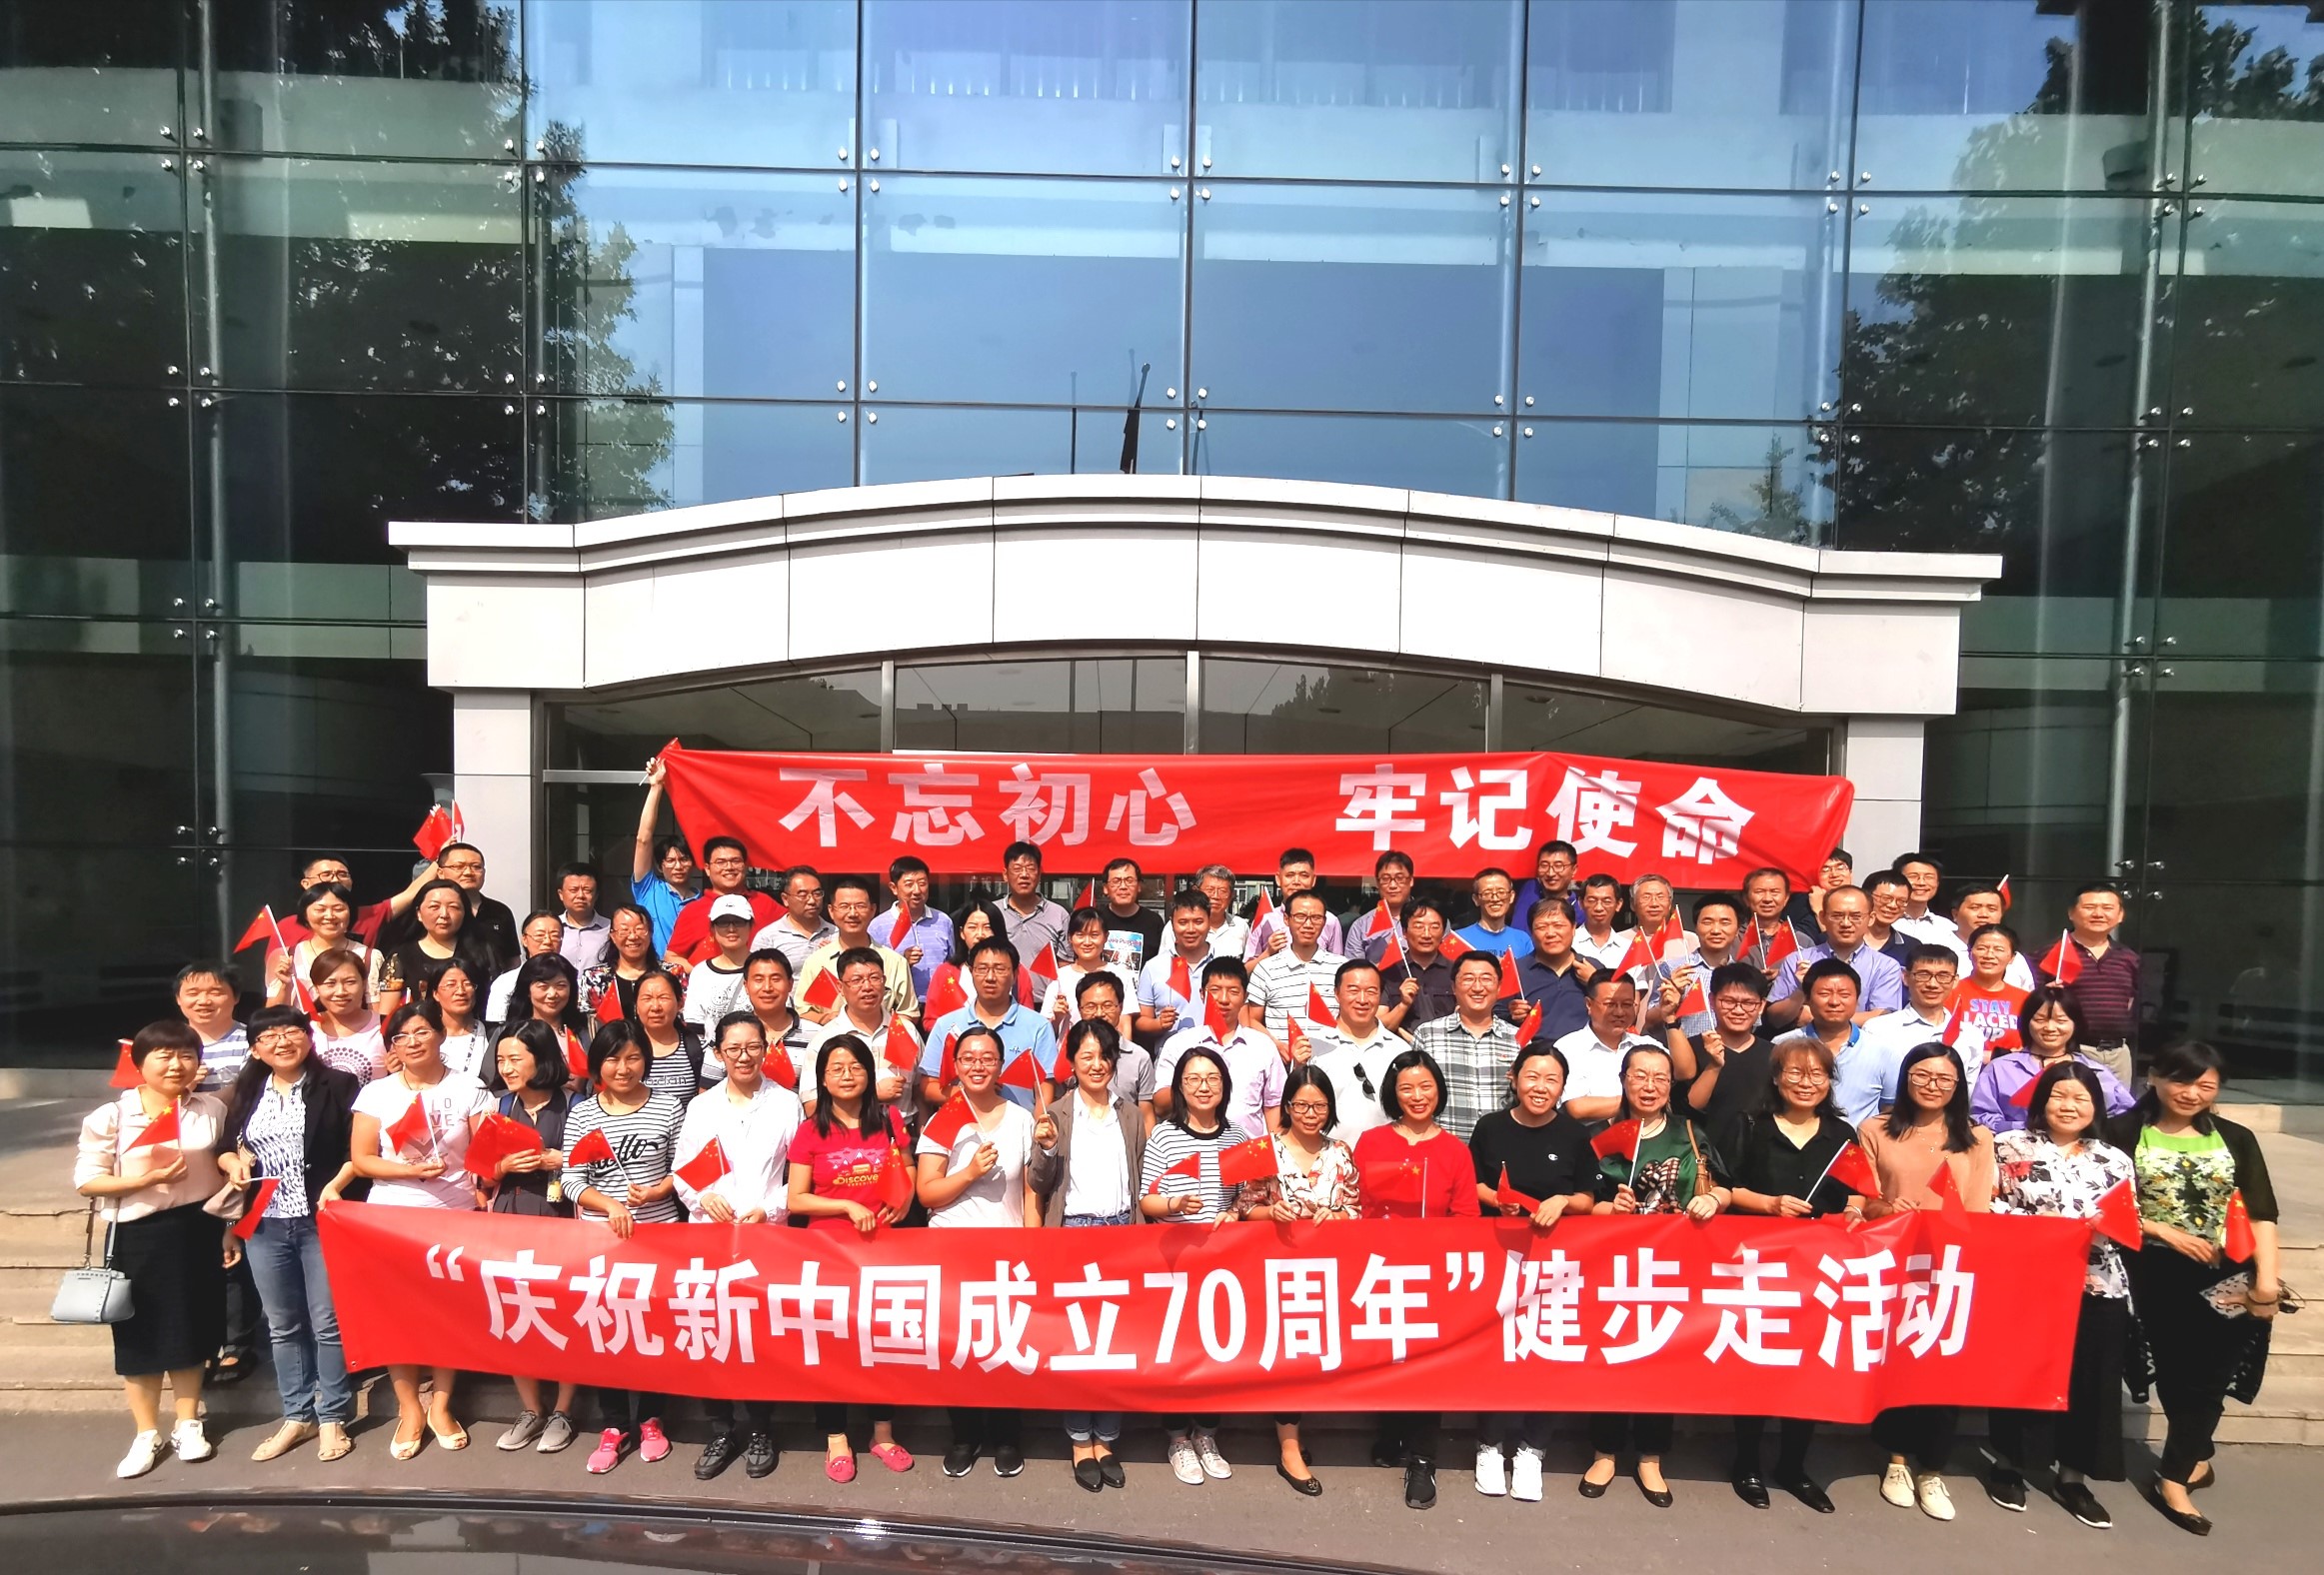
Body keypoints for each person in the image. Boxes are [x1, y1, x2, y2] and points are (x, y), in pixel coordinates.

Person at [2105, 1039, 2280, 1536]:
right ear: (2154, 1078)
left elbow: (2262, 1211)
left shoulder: (2237, 1138)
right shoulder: (2122, 1132)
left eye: (2206, 1085)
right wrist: (2162, 1230)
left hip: (2227, 1274)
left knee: (2210, 1376)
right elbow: (2103, 1203)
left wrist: (2267, 1281)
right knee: (2174, 1374)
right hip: (2152, 1272)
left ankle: (2174, 1478)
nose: (2192, 1093)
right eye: (2181, 1080)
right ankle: (2197, 1453)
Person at [75, 1021, 232, 1479]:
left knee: (192, 1328)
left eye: (185, 1055)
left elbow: (221, 1166)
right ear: (140, 1064)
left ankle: (188, 1423)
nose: (175, 1065)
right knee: (140, 1336)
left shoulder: (210, 1109)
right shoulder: (112, 1116)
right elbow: (87, 1180)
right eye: (163, 1056)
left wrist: (229, 1226)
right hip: (138, 1233)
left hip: (198, 1228)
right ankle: (146, 1433)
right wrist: (146, 1181)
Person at [1987, 1062, 2135, 1529]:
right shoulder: (2008, 1145)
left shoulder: (2115, 1159)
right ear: (2041, 1101)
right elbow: (1990, 1206)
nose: (2069, 1106)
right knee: (2021, 1373)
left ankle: (2073, 1477)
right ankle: (2009, 1464)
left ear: (2096, 1106)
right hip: (2027, 1283)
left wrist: (2107, 1225)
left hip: (2097, 1284)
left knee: (2090, 1382)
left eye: (2080, 1098)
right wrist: (2033, 1227)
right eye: (2059, 1096)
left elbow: (2129, 1220)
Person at [1582, 1043, 1730, 1509]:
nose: (1649, 1086)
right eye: (1640, 1075)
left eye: (1660, 1078)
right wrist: (1608, 1209)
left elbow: (1726, 1186)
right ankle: (1604, 1452)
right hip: (1611, 1268)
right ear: (1623, 1080)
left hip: (1674, 1269)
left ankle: (1651, 1457)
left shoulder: (1689, 1134)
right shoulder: (1599, 1136)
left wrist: (1714, 1200)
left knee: (1662, 1360)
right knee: (1611, 1359)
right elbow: (1578, 1202)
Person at [1719, 1037, 1859, 1513]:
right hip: (1760, 1263)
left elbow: (1858, 1193)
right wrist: (1770, 1204)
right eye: (1795, 1073)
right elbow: (1726, 1188)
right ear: (1777, 1079)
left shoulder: (1841, 1133)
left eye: (1817, 1074)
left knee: (1809, 1369)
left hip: (1821, 1268)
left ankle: (1794, 1466)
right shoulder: (1750, 1125)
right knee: (1756, 1364)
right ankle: (1746, 1463)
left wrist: (1855, 1211)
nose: (1806, 1083)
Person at [217, 1004, 361, 1465]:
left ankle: (333, 1415)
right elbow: (225, 1147)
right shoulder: (247, 1089)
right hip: (265, 1223)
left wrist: (336, 1186)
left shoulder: (338, 1085)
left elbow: (355, 1149)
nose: (282, 1042)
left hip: (321, 1218)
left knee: (328, 1322)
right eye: (269, 1036)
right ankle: (297, 1415)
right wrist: (232, 1164)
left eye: (291, 1031)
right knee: (282, 1325)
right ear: (255, 1049)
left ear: (308, 1036)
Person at [1858, 1041, 1996, 1520]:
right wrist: (1884, 1208)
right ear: (1905, 1078)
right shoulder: (1874, 1130)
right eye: (1921, 1075)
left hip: (1952, 1266)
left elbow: (1979, 1208)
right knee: (1898, 1362)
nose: (1932, 1086)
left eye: (1943, 1079)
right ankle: (1896, 1461)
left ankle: (1932, 1468)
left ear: (1958, 1086)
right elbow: (1863, 1198)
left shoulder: (1977, 1138)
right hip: (1896, 1262)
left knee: (1944, 1367)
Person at [350, 1003, 493, 1459]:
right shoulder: (376, 1093)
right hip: (392, 1219)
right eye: (401, 1036)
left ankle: (442, 1405)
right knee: (397, 1316)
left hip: (455, 1214)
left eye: (422, 1031)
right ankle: (409, 1407)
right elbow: (362, 1159)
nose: (412, 1042)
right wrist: (408, 1172)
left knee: (449, 1313)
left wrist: (485, 1178)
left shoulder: (469, 1087)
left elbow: (486, 1153)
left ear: (439, 1035)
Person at [1465, 1043, 1597, 1504]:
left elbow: (1587, 1198)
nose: (1541, 1087)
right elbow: (1475, 1183)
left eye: (1551, 1080)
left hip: (1557, 1263)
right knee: (1497, 1353)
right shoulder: (1491, 1127)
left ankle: (1532, 1448)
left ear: (1563, 1087)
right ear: (1514, 1078)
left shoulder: (1574, 1134)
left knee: (1548, 1353)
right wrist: (1497, 1200)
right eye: (1532, 1077)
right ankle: (1489, 1445)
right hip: (1500, 1256)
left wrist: (1562, 1201)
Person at [676, 1012, 805, 1482]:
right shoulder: (701, 1107)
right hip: (709, 1235)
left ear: (766, 1049)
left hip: (763, 1234)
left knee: (757, 1336)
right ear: (718, 1053)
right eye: (733, 1049)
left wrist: (769, 1209)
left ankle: (760, 1429)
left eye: (753, 1047)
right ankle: (721, 1428)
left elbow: (798, 1174)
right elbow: (683, 1169)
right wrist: (701, 1197)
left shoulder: (786, 1103)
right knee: (711, 1333)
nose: (744, 1056)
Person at [784, 1033, 915, 1482]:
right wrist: (845, 1205)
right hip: (829, 1254)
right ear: (822, 1079)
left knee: (882, 1342)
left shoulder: (890, 1118)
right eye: (836, 1069)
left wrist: (904, 1199)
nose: (846, 1075)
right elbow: (797, 1199)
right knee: (831, 1345)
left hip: (883, 1250)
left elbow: (907, 1168)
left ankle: (883, 1433)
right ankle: (836, 1436)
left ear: (869, 1073)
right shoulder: (810, 1130)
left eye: (855, 1067)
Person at [1353, 1048, 1479, 1510]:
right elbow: (1358, 1204)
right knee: (1388, 1357)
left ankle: (1423, 1459)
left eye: (1426, 1086)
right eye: (1407, 1088)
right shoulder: (1371, 1143)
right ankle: (1392, 1433)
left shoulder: (1455, 1150)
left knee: (1428, 1367)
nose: (1417, 1095)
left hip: (1432, 1275)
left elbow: (1466, 1217)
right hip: (1380, 1270)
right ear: (1394, 1094)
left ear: (1439, 1091)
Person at [1227, 1062, 1360, 1499]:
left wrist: (1339, 1217)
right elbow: (1244, 1206)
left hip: (1328, 1272)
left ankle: (1296, 1434)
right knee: (1287, 1360)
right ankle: (1288, 1448)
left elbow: (1356, 1208)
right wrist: (1272, 1212)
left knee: (1311, 1359)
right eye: (1301, 1105)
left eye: (1319, 1106)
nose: (1310, 1114)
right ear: (1286, 1106)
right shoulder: (1263, 1149)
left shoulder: (1341, 1152)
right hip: (1278, 1270)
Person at [561, 1019, 687, 1475]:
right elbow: (571, 1179)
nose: (624, 1068)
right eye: (613, 1059)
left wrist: (655, 1192)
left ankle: (652, 1419)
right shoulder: (583, 1115)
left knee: (653, 1331)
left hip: (659, 1240)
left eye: (633, 1058)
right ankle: (614, 1425)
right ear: (598, 1064)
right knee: (606, 1333)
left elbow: (684, 1170)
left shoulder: (669, 1107)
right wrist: (610, 1204)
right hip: (602, 1245)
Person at [1027, 1018, 1147, 1492]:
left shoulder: (1130, 1113)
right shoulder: (1055, 1113)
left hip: (1122, 1232)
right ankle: (1080, 1439)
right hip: (1075, 1234)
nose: (1097, 1065)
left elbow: (1140, 1174)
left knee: (1116, 1343)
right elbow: (1039, 1183)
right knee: (1078, 1345)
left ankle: (1107, 1438)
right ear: (1072, 1063)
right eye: (1087, 1056)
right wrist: (1046, 1150)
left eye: (1104, 1056)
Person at [916, 1025, 1040, 1477]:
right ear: (955, 1066)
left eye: (987, 1058)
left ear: (1001, 1065)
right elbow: (926, 1192)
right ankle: (964, 1436)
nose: (977, 1066)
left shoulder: (1021, 1119)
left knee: (1006, 1347)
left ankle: (1006, 1437)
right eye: (968, 1058)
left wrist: (1033, 1242)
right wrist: (968, 1172)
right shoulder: (944, 1119)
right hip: (953, 1252)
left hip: (1006, 1252)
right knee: (958, 1348)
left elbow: (1031, 1191)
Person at [1138, 1046, 1245, 1487]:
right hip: (1175, 1264)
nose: (1204, 1087)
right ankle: (1178, 1439)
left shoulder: (1238, 1137)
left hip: (1222, 1266)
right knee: (1176, 1354)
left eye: (1212, 1078)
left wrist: (1235, 1213)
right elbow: (1146, 1200)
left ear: (1224, 1086)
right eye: (1194, 1079)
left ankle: (1207, 1434)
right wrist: (1175, 1204)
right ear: (1180, 1087)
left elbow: (1250, 1196)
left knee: (1217, 1353)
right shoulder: (1164, 1137)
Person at [479, 1020, 579, 1457]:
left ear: (542, 1058)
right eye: (501, 1059)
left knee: (564, 1314)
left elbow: (597, 1162)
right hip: (510, 1216)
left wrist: (561, 1159)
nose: (506, 1067)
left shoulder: (575, 1104)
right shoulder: (500, 1106)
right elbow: (481, 1175)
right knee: (514, 1312)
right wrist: (503, 1168)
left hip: (559, 1214)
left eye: (515, 1058)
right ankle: (530, 1409)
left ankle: (563, 1410)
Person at [917, 936, 1058, 1114]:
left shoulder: (1038, 1026)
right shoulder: (946, 1025)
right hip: (964, 1127)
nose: (990, 977)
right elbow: (928, 1087)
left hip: (1020, 1127)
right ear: (971, 972)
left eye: (1000, 969)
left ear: (1015, 975)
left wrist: (1039, 1124)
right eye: (982, 969)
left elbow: (1044, 1088)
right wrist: (969, 1092)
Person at [1972, 984, 2134, 1134]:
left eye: (2061, 1021)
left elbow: (2124, 1116)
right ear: (2026, 1022)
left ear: (2075, 1024)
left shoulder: (2094, 1071)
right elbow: (1980, 1118)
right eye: (2040, 1020)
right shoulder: (2000, 1068)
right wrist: (2025, 1127)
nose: (2050, 1028)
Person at [1154, 958, 1283, 1136]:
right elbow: (1160, 1106)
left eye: (1233, 992)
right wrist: (1192, 1081)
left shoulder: (1262, 1046)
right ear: (1202, 994)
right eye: (1215, 990)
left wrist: (1275, 1148)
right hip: (1192, 1149)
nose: (1223, 999)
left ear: (1245, 997)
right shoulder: (1179, 1044)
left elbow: (1274, 1104)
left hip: (1249, 1149)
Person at [1411, 950, 1519, 1140]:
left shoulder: (1518, 1038)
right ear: (1454, 987)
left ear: (1499, 987)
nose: (1477, 987)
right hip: (1444, 1147)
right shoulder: (1428, 1035)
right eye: (1468, 979)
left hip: (1501, 1147)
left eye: (1486, 979)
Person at [1859, 944, 1990, 1097]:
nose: (1932, 984)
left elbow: (1967, 1094)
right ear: (1905, 977)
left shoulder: (1970, 1035)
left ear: (1955, 981)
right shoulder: (1878, 1030)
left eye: (1943, 976)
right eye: (1923, 975)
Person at [2047, 882, 2142, 1087]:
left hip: (2118, 1054)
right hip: (2072, 1050)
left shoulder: (2129, 958)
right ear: (2071, 913)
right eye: (2089, 907)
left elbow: (2131, 1000)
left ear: (2120, 915)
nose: (2098, 914)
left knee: (2119, 1106)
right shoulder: (2052, 954)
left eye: (2107, 908)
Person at [1766, 885, 1904, 1027]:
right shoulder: (1798, 960)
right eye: (1837, 916)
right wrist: (1801, 991)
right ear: (1822, 917)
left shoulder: (1885, 966)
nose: (1846, 923)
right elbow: (1775, 1019)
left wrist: (1817, 1018)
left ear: (1871, 918)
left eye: (1856, 917)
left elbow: (1883, 1018)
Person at [1772, 959, 1889, 1126]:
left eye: (1844, 995)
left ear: (1857, 1000)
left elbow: (1889, 1109)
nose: (1834, 1002)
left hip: (1856, 1142)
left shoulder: (1882, 1050)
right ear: (1807, 999)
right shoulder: (1782, 1045)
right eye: (1824, 994)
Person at [795, 875, 918, 1026]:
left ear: (872, 910)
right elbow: (803, 1011)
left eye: (860, 906)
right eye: (844, 906)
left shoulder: (895, 962)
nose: (852, 914)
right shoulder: (817, 962)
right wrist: (826, 1019)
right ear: (831, 911)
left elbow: (909, 1013)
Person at [1306, 958, 1405, 1142]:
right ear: (1337, 994)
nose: (1362, 999)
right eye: (1353, 990)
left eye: (1371, 992)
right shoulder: (1313, 1047)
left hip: (1385, 1155)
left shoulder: (1400, 1050)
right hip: (1327, 1155)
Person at [807, 946, 916, 1113]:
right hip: (847, 1129)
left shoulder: (906, 1031)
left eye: (874, 978)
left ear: (884, 981)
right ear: (840, 987)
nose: (867, 987)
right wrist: (872, 1094)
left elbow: (921, 1092)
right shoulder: (825, 1038)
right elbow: (811, 1106)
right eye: (857, 980)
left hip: (904, 1128)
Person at [1681, 962, 1777, 1139]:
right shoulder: (1690, 1049)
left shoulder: (1775, 1055)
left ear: (1761, 1005)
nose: (1738, 1010)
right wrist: (1713, 1067)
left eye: (1748, 1003)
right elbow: (1687, 1108)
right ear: (1712, 1000)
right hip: (1704, 1150)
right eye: (1729, 1002)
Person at [1553, 972, 1661, 1122]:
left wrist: (1671, 1020)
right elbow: (1577, 1107)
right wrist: (1643, 1101)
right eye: (1610, 1004)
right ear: (1589, 1004)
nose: (1619, 1012)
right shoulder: (1568, 1048)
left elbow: (1685, 1073)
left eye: (1627, 1004)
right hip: (1592, 1135)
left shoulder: (1648, 1046)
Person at [371, 877, 487, 1017]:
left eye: (453, 907)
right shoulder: (399, 957)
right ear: (419, 913)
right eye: (434, 907)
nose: (444, 914)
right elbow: (387, 1014)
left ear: (465, 912)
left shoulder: (483, 953)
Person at [662, 836, 780, 970]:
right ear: (707, 869)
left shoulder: (766, 903)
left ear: (745, 866)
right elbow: (672, 956)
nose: (729, 867)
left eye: (735, 861)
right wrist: (704, 975)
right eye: (721, 862)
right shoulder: (693, 911)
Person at [1243, 889, 1346, 1038]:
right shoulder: (1266, 969)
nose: (1308, 924)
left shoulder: (1341, 968)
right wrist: (1278, 1046)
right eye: (1300, 917)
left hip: (1330, 1051)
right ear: (1286, 919)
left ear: (1324, 922)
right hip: (1282, 1052)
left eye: (1316, 918)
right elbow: (1253, 1020)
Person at [630, 755, 700, 954]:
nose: (678, 866)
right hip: (655, 970)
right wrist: (656, 787)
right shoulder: (648, 890)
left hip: (691, 971)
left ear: (693, 863)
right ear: (660, 866)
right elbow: (643, 840)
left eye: (684, 859)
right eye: (670, 860)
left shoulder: (703, 902)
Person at [928, 897, 1040, 1020]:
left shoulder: (1016, 972)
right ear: (962, 932)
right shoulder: (945, 972)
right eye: (972, 927)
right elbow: (931, 1020)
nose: (980, 935)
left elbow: (1028, 1019)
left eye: (987, 927)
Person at [1067, 970, 1157, 1118]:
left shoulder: (1139, 1057)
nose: (1099, 1013)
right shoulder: (1069, 1053)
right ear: (1079, 1009)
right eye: (1090, 1006)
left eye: (1107, 1005)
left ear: (1120, 1007)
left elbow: (1146, 1116)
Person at [1504, 898, 1591, 1042]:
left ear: (1573, 928)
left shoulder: (1592, 968)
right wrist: (1512, 1016)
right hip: (1533, 1051)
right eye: (1542, 927)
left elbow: (1615, 1011)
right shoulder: (1515, 971)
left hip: (1584, 1051)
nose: (1550, 933)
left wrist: (1595, 982)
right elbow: (1495, 1017)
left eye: (1558, 925)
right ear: (1531, 932)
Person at [268, 883, 367, 1010]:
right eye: (320, 910)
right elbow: (272, 1015)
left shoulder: (368, 956)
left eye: (338, 909)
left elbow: (376, 1011)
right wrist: (284, 986)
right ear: (305, 914)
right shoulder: (284, 956)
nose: (329, 916)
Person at [1041, 905, 1139, 1030]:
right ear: (1070, 938)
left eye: (1094, 935)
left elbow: (1125, 1025)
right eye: (1080, 935)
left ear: (1106, 937)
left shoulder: (1122, 975)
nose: (1087, 942)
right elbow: (1046, 1032)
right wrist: (1057, 1018)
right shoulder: (1058, 977)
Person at [433, 841, 519, 976]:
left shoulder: (500, 911)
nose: (468, 873)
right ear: (440, 872)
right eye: (458, 867)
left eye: (476, 867)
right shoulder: (431, 911)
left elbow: (512, 961)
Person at [732, 947, 813, 1090]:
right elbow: (708, 1089)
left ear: (790, 984)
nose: (767, 988)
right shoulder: (730, 1033)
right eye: (758, 980)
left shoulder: (816, 1035)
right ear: (746, 986)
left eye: (775, 979)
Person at [1244, 846, 1345, 960]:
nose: (1296, 882)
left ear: (1313, 880)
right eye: (1290, 875)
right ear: (1278, 879)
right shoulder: (1265, 919)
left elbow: (1338, 965)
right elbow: (1246, 968)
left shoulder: (1329, 921)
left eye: (1304, 875)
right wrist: (1268, 953)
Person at [579, 903, 674, 1023]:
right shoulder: (594, 978)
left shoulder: (672, 974)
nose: (633, 936)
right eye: (624, 930)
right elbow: (587, 1024)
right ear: (613, 936)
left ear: (650, 933)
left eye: (639, 929)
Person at [1948, 922, 2030, 1059]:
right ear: (1969, 953)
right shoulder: (1950, 992)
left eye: (1999, 949)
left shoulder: (2026, 1000)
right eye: (1982, 948)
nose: (1989, 955)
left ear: (2012, 957)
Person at [307, 948, 387, 1084]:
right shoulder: (304, 1027)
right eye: (330, 984)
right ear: (316, 988)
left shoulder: (386, 1026)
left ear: (364, 984)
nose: (340, 992)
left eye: (350, 982)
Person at [1379, 897, 1458, 1031]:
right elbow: (1378, 1027)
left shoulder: (1457, 972)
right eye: (1418, 927)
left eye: (1434, 927)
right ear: (1404, 932)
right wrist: (1403, 1005)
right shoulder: (1389, 973)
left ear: (1443, 932)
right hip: (1401, 1043)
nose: (1426, 934)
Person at [680, 893, 758, 1030]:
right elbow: (695, 1026)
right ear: (712, 928)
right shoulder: (701, 973)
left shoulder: (765, 968)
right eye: (723, 922)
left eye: (739, 921)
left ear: (751, 925)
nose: (731, 929)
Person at [881, 854, 953, 1000]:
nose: (917, 890)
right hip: (898, 1005)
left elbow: (953, 964)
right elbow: (875, 972)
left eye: (922, 883)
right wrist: (903, 962)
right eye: (909, 884)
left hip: (939, 1003)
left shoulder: (943, 921)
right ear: (894, 888)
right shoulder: (879, 925)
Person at [630, 969, 707, 1103]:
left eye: (663, 998)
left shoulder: (700, 1048)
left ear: (680, 1003)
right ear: (636, 1006)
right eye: (647, 999)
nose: (655, 1007)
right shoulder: (623, 1048)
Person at [177, 961, 249, 1093]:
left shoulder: (253, 1041)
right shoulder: (164, 1043)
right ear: (178, 999)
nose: (204, 1001)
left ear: (236, 997)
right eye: (193, 994)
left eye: (215, 993)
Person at [750, 864, 837, 973]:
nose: (812, 901)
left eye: (817, 894)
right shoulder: (767, 938)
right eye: (803, 895)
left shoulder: (837, 934)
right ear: (785, 899)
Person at [485, 908, 568, 1022]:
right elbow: (496, 1026)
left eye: (555, 935)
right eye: (540, 935)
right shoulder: (505, 983)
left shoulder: (570, 978)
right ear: (524, 939)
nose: (547, 941)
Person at [999, 841, 1073, 963]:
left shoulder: (1059, 915)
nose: (1024, 875)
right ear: (1005, 875)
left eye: (1031, 869)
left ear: (1039, 874)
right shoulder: (992, 912)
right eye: (1017, 869)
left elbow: (1065, 965)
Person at [1343, 849, 1417, 964]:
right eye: (1385, 879)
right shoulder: (1361, 926)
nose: (1393, 885)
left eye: (1399, 878)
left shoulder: (1431, 920)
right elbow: (1354, 969)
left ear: (1411, 880)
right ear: (1377, 883)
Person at [427, 957, 491, 1080]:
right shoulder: (423, 1036)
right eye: (451, 985)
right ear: (435, 993)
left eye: (467, 984)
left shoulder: (494, 1035)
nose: (460, 991)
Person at [1097, 855, 1164, 969]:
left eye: (1129, 881)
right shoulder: (1096, 920)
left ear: (1139, 886)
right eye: (1116, 881)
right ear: (1105, 888)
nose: (1123, 887)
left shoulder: (1154, 921)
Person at [1455, 866, 1531, 959]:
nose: (1495, 899)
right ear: (1476, 899)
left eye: (1501, 892)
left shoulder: (1522, 940)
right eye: (1487, 893)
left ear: (1511, 896)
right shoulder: (1459, 939)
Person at [554, 861, 612, 970]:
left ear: (596, 895)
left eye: (587, 890)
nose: (580, 896)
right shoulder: (551, 929)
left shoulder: (611, 929)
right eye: (573, 890)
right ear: (560, 894)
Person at [1891, 851, 1955, 946]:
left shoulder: (1948, 927)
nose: (1921, 883)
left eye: (1929, 877)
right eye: (1913, 876)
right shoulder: (1883, 921)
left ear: (1937, 883)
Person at [1510, 839, 1579, 926]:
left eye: (1558, 866)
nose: (1550, 873)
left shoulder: (1580, 911)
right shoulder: (1529, 888)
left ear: (1574, 870)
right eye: (1544, 865)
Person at [1861, 869, 1919, 968]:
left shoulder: (1912, 947)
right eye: (1886, 898)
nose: (1893, 906)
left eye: (1901, 901)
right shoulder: (1842, 940)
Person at [1571, 873, 1628, 970]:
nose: (1599, 908)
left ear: (1618, 904)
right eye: (1592, 900)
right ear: (1581, 903)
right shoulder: (1569, 942)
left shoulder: (1628, 948)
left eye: (1606, 901)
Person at [1194, 863, 1247, 959]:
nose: (1216, 896)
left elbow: (1247, 962)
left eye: (1223, 891)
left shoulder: (1240, 926)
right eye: (1210, 890)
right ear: (1196, 891)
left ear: (1231, 896)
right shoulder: (1181, 925)